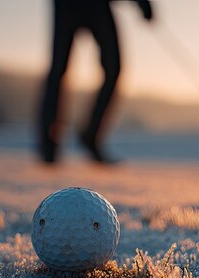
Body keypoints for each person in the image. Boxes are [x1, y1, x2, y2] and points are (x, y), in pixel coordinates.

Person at [39, 0, 153, 163]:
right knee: (58, 69)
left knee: (112, 68)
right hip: (67, 5)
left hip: (97, 5)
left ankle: (90, 136)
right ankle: (49, 142)